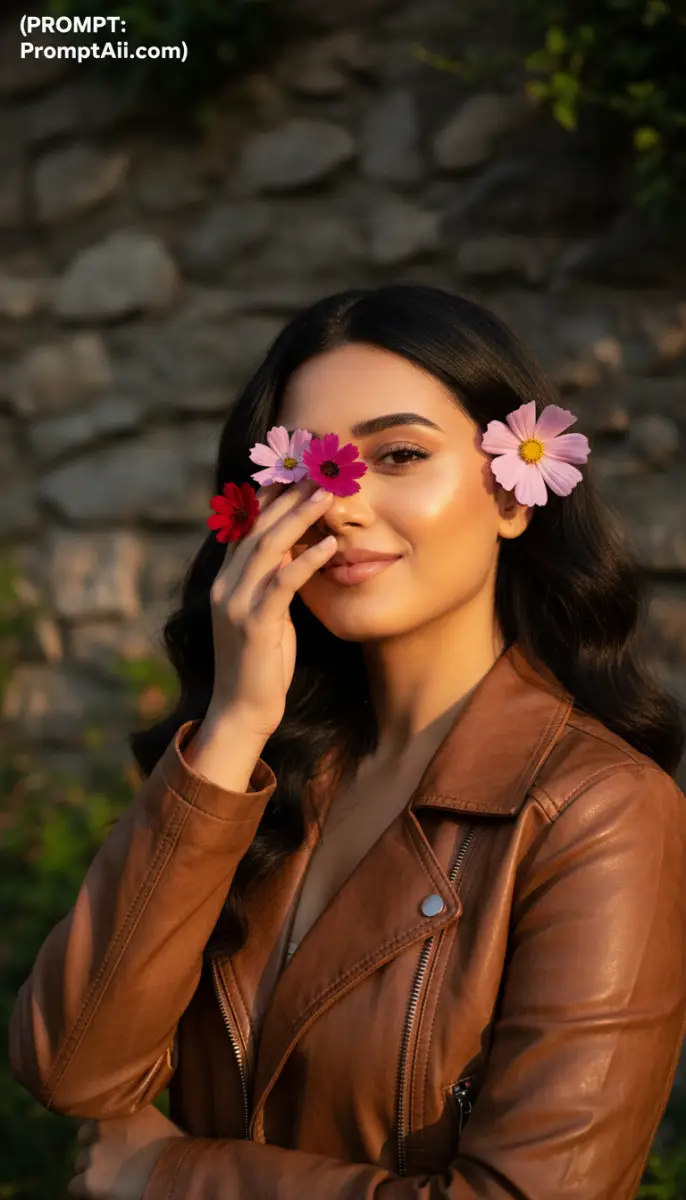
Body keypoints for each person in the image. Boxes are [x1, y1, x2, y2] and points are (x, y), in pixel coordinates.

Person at [9, 284, 686, 1200]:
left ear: (514, 495)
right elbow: (72, 1068)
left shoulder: (601, 813)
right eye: (308, 469)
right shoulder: (267, 769)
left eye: (399, 454)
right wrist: (234, 724)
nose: (339, 503)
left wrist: (175, 1175)